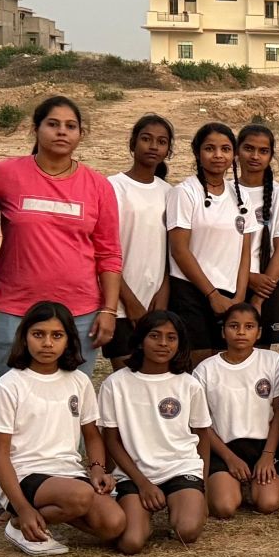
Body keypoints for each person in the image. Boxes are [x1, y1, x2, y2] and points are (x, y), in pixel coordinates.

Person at [0, 96, 123, 379]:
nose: (61, 132)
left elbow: (109, 253)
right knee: (13, 396)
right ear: (36, 129)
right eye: (53, 124)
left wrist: (108, 310)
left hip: (79, 315)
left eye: (70, 126)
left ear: (81, 134)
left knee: (69, 398)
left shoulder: (98, 185)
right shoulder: (4, 174)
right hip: (14, 310)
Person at [0, 300, 124, 557]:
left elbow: (92, 436)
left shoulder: (79, 381)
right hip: (24, 475)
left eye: (57, 335)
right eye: (38, 334)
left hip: (68, 474)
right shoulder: (9, 385)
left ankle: (41, 520)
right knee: (80, 495)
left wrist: (97, 469)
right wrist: (21, 507)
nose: (47, 343)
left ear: (68, 340)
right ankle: (19, 522)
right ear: (24, 338)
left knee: (114, 524)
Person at [98, 310, 213, 554]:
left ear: (180, 343)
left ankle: (182, 504)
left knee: (187, 531)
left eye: (171, 338)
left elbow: (202, 435)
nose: (163, 343)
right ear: (140, 340)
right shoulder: (115, 384)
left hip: (180, 467)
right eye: (154, 335)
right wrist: (143, 484)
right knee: (131, 543)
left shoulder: (189, 384)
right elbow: (111, 440)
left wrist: (203, 486)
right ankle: (142, 520)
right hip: (134, 473)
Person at [165, 123, 253, 364]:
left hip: (230, 294)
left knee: (225, 364)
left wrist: (239, 298)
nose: (218, 155)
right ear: (197, 152)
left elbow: (244, 251)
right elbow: (179, 250)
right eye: (210, 148)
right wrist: (212, 295)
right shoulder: (184, 193)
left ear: (234, 154)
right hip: (192, 291)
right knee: (199, 363)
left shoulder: (241, 196)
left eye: (225, 149)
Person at [192, 301, 279, 518]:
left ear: (259, 332)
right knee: (224, 507)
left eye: (249, 326)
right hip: (223, 447)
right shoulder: (205, 370)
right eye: (234, 326)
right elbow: (200, 424)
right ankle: (229, 482)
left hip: (263, 446)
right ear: (223, 332)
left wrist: (267, 455)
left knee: (268, 503)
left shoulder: (272, 361)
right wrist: (230, 458)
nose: (241, 332)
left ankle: (273, 474)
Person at [106, 115, 174, 369]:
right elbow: (104, 250)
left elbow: (170, 251)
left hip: (156, 301)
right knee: (126, 376)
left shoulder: (169, 193)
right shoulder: (113, 187)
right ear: (133, 143)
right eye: (146, 139)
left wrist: (164, 290)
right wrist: (129, 301)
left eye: (161, 142)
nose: (153, 146)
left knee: (154, 375)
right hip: (120, 304)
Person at [233, 123, 279, 347]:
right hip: (229, 282)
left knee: (260, 355)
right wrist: (248, 277)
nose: (255, 156)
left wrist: (259, 299)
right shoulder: (225, 191)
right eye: (248, 148)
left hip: (266, 286)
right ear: (237, 151)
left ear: (271, 156)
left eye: (263, 151)